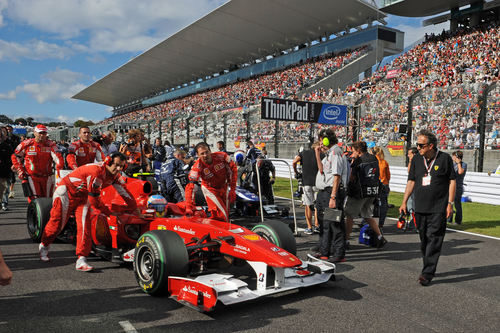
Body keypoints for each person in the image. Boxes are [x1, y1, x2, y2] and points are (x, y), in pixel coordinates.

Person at [39, 152, 138, 272]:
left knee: (85, 226)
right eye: (116, 165)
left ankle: (81, 259)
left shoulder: (115, 177)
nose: (118, 169)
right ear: (108, 162)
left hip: (84, 196)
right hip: (66, 192)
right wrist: (110, 213)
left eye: (121, 167)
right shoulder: (96, 173)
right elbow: (95, 202)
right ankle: (44, 245)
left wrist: (135, 209)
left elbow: (125, 193)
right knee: (58, 223)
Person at [399, 129, 456, 286]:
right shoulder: (417, 160)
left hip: (438, 207)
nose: (418, 147)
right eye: (417, 145)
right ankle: (428, 266)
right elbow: (411, 181)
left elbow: (452, 181)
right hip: (420, 207)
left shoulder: (444, 159)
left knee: (434, 238)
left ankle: (427, 273)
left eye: (421, 145)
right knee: (424, 239)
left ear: (431, 146)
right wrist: (404, 202)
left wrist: (450, 203)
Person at [312, 129, 349, 263]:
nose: (320, 143)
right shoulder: (328, 154)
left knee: (334, 224)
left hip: (332, 193)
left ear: (326, 139)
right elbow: (321, 170)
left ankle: (339, 253)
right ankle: (324, 251)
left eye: (321, 139)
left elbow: (337, 176)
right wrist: (317, 154)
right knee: (323, 223)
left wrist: (333, 197)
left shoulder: (335, 152)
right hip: (324, 192)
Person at [344, 141, 387, 248]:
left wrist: (352, 163)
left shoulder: (359, 161)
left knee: (349, 215)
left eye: (353, 151)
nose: (352, 153)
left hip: (359, 192)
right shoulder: (374, 158)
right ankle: (380, 237)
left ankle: (345, 240)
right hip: (373, 191)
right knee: (367, 215)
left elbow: (352, 177)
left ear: (358, 151)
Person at [185, 142, 237, 221]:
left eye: (207, 152)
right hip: (210, 189)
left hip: (224, 186)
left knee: (226, 214)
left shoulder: (222, 156)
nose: (205, 155)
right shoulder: (197, 166)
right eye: (202, 153)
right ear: (198, 155)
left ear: (210, 151)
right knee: (222, 215)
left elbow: (233, 170)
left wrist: (232, 189)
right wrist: (189, 206)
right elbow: (191, 186)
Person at [11, 124, 64, 201]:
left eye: (44, 133)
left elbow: (59, 159)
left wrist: (59, 173)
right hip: (31, 177)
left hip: (47, 177)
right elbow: (15, 156)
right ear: (34, 133)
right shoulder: (26, 144)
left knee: (48, 200)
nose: (42, 135)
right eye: (40, 133)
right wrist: (20, 170)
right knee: (35, 200)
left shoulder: (51, 145)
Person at [293, 142, 320, 234]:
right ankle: (317, 225)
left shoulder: (304, 153)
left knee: (308, 205)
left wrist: (296, 172)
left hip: (306, 182)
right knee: (317, 206)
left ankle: (309, 227)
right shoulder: (321, 154)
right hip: (317, 182)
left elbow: (294, 162)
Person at [372, 147, 390, 229]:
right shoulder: (384, 162)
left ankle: (366, 221)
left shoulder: (372, 162)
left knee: (369, 202)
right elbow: (388, 176)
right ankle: (381, 223)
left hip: (375, 184)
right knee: (383, 204)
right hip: (384, 184)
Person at [448, 150, 467, 225]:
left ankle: (458, 221)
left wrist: (459, 163)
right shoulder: (451, 164)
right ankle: (449, 219)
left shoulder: (463, 164)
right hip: (450, 186)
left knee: (457, 204)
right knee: (449, 203)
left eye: (454, 156)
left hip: (458, 187)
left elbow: (460, 172)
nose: (452, 157)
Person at [0, 127, 13, 210]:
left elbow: (11, 159)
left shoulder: (6, 146)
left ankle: (3, 203)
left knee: (2, 191)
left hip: (3, 173)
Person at [406, 147, 418, 213]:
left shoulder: (419, 162)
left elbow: (410, 171)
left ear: (414, 154)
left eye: (409, 154)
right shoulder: (412, 162)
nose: (408, 155)